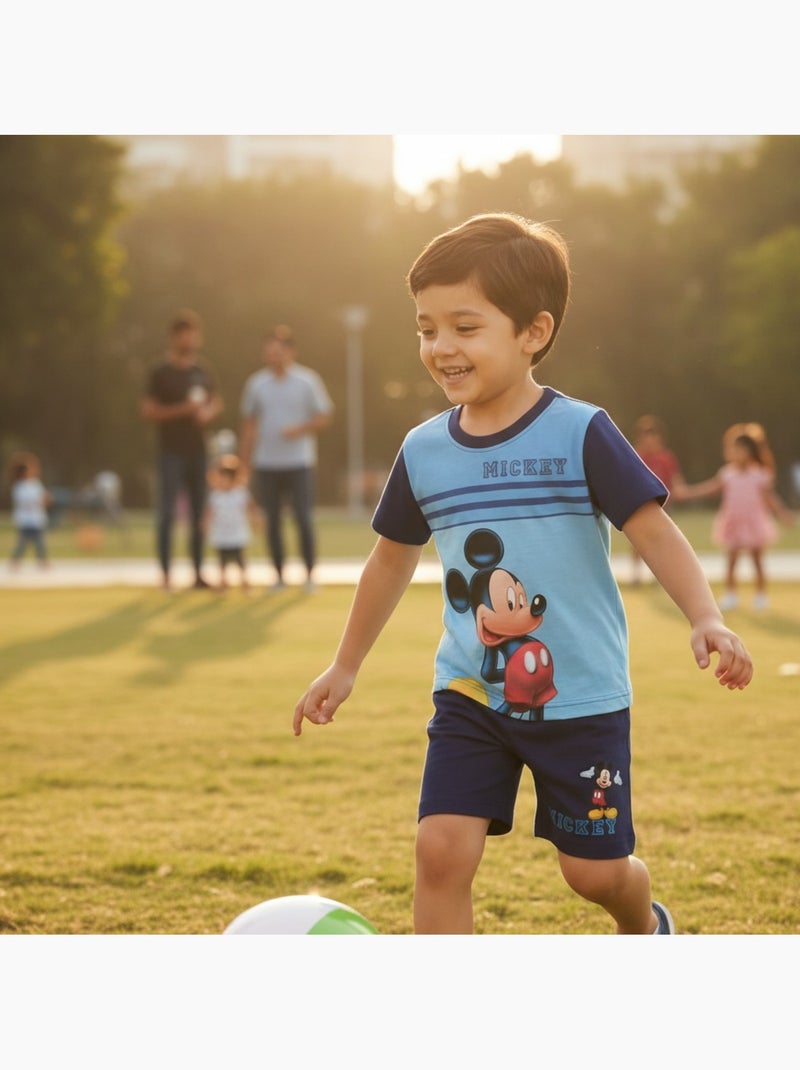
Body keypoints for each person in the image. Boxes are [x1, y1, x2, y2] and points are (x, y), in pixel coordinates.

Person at [292, 212, 754, 936]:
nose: (441, 347)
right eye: (426, 328)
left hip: (580, 698)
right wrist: (344, 665)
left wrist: (706, 616)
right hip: (472, 692)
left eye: (465, 327)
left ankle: (644, 924)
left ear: (532, 332)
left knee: (594, 873)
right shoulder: (422, 452)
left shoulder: (580, 432)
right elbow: (389, 560)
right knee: (440, 850)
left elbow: (654, 530)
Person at [239, 325, 333, 592]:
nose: (274, 356)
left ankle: (310, 575)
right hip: (266, 463)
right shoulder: (256, 384)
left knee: (303, 518)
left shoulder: (307, 381)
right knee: (273, 521)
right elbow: (249, 425)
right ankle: (278, 576)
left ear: (291, 352)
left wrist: (299, 429)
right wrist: (243, 463)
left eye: (279, 352)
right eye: (270, 352)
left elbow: (324, 416)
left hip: (299, 463)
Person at [141, 309, 223, 591]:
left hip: (198, 451)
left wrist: (207, 412)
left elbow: (215, 402)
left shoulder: (202, 371)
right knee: (167, 514)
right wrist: (184, 410)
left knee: (199, 514)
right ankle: (165, 574)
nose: (190, 340)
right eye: (184, 335)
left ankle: (198, 573)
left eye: (193, 335)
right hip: (170, 452)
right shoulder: (160, 372)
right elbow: (149, 411)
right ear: (174, 337)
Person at [674, 424, 794, 610]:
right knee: (731, 561)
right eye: (734, 449)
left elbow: (770, 499)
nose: (737, 453)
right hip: (733, 522)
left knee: (757, 561)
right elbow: (709, 489)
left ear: (751, 452)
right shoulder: (727, 474)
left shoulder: (760, 475)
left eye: (742, 450)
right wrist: (688, 493)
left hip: (753, 522)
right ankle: (731, 595)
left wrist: (783, 514)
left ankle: (761, 595)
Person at [629, 415, 686, 585]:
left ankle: (660, 577)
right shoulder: (635, 455)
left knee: (663, 542)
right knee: (637, 542)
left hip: (663, 507)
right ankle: (636, 576)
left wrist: (681, 492)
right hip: (640, 506)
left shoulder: (666, 458)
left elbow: (676, 480)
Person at [202, 453, 257, 592]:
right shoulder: (216, 496)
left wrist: (256, 520)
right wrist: (205, 524)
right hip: (222, 534)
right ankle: (223, 582)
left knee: (240, 559)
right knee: (222, 560)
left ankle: (245, 582)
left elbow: (250, 508)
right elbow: (209, 512)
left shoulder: (240, 493)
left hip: (236, 533)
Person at [8, 452, 50, 569]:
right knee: (22, 543)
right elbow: (28, 501)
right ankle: (15, 562)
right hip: (26, 520)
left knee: (40, 542)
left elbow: (43, 499)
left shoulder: (36, 484)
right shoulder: (20, 487)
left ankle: (42, 561)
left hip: (37, 519)